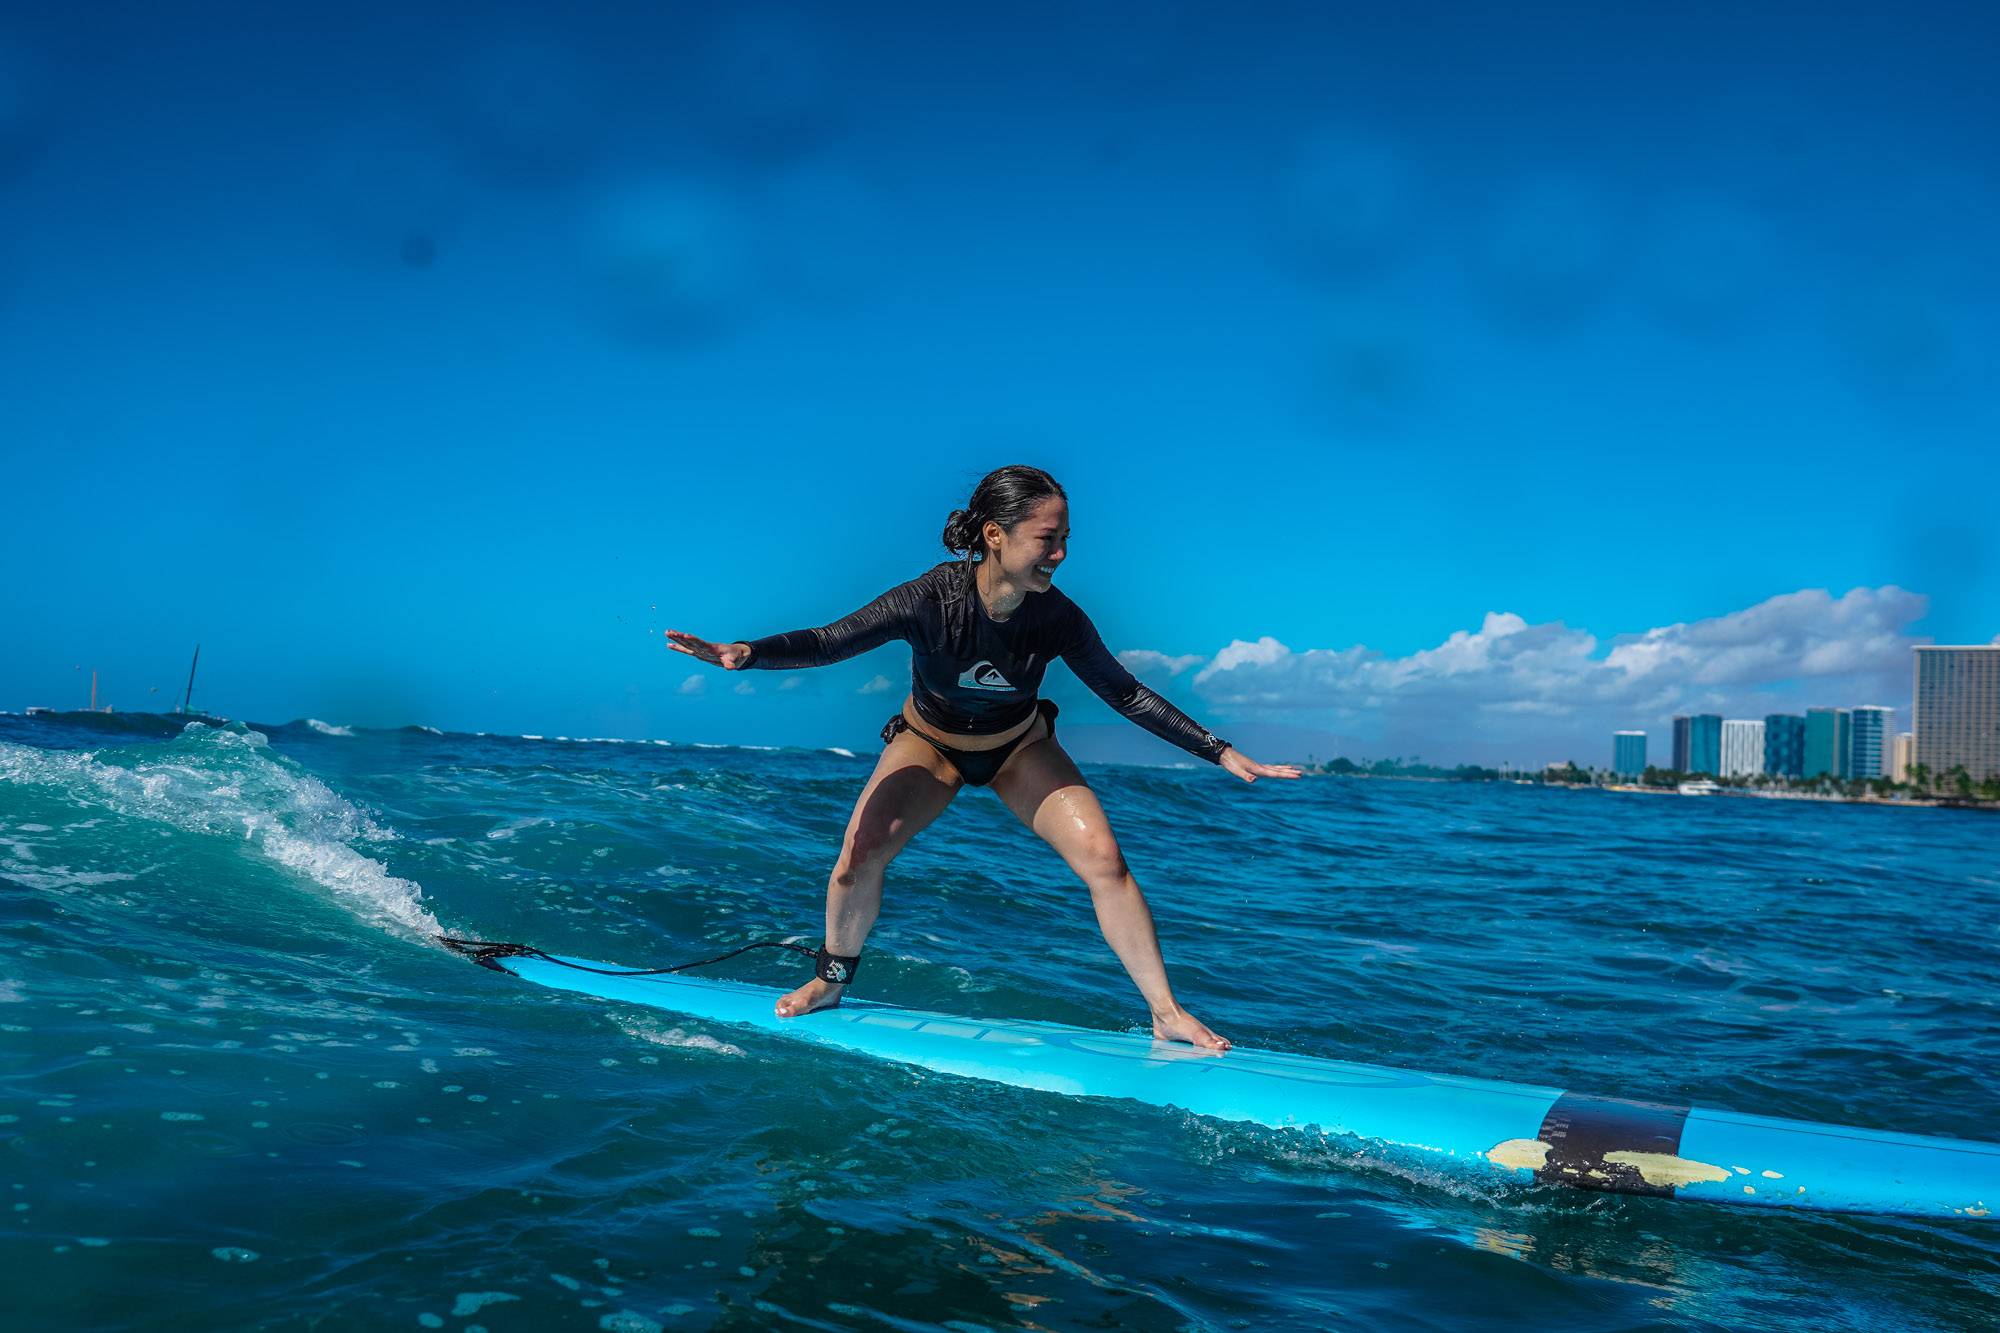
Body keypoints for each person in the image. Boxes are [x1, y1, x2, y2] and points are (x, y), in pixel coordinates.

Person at [666, 465, 1300, 1049]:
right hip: (931, 743)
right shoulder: (929, 599)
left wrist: (1219, 752)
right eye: (1048, 539)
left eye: (1066, 539)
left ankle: (1166, 1014)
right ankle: (831, 980)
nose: (1060, 553)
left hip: (1018, 748)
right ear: (996, 535)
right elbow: (832, 640)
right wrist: (747, 652)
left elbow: (1125, 692)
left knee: (1105, 861)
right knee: (857, 858)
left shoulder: (1058, 618)